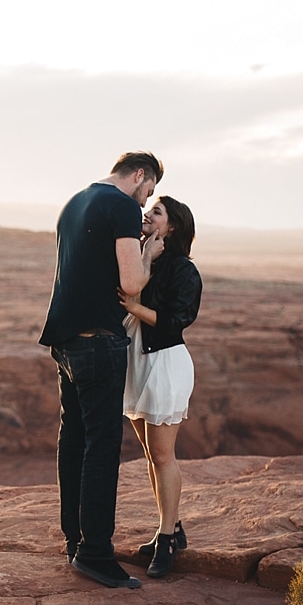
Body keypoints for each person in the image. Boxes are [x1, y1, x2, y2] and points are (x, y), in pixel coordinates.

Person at [38, 150, 164, 590]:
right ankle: (94, 554)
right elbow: (130, 283)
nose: (146, 203)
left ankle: (74, 540)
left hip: (65, 339)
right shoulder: (122, 206)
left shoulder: (74, 202)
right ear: (138, 176)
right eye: (148, 192)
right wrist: (147, 255)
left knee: (72, 439)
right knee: (102, 446)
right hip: (99, 340)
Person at [119, 194, 202, 580]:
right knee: (153, 456)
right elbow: (129, 287)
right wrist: (147, 256)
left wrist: (135, 309)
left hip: (165, 365)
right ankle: (173, 526)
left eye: (156, 212)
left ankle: (166, 537)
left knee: (164, 456)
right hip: (137, 362)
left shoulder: (185, 271)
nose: (147, 215)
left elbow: (175, 322)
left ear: (172, 226)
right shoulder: (143, 258)